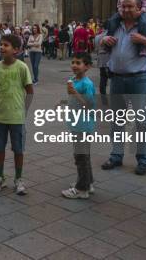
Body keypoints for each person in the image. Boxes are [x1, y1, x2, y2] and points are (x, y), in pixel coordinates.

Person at [101, 0, 146, 175]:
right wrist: (104, 39)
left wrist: (144, 40)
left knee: (141, 121)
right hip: (117, 79)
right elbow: (100, 42)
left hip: (139, 79)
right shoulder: (115, 24)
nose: (126, 9)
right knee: (117, 120)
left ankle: (143, 160)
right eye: (123, 6)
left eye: (130, 6)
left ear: (139, 8)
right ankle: (116, 156)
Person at [0, 34, 34, 196]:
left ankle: (19, 178)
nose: (2, 47)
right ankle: (0, 177)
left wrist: (25, 110)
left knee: (18, 149)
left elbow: (29, 91)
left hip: (17, 117)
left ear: (16, 49)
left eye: (6, 45)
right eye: (1, 45)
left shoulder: (22, 67)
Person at [61, 52, 96, 199]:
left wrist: (74, 93)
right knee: (83, 156)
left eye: (78, 63)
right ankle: (88, 182)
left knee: (81, 157)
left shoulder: (87, 84)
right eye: (73, 62)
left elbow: (89, 105)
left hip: (83, 126)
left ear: (87, 66)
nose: (74, 65)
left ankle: (82, 189)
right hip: (76, 123)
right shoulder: (73, 79)